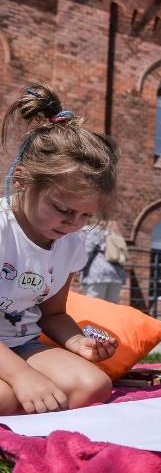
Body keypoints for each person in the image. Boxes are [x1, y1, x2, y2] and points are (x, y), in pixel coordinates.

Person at [0, 82, 120, 415]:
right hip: (12, 356)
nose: (74, 224)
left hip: (19, 343)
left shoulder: (69, 244)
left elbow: (52, 314)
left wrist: (78, 342)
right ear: (22, 180)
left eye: (86, 215)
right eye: (63, 209)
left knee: (93, 386)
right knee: (9, 398)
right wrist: (22, 376)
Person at [78, 220, 126, 303]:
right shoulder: (111, 233)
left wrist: (77, 269)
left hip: (96, 275)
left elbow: (86, 253)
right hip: (116, 275)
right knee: (111, 308)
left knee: (94, 306)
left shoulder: (91, 231)